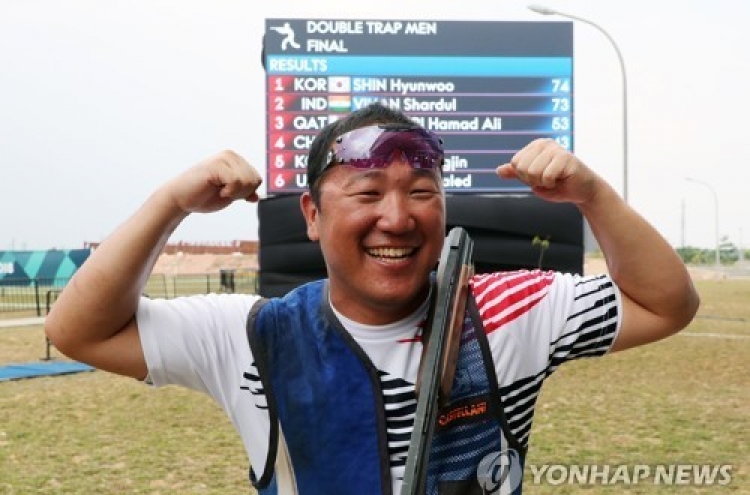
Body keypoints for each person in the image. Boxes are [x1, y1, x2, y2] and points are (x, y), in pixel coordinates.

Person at [45, 102, 699, 494]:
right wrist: (169, 203)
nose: (397, 216)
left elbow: (668, 302)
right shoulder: (253, 336)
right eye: (365, 192)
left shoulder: (509, 313)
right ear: (311, 214)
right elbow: (79, 330)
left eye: (421, 190)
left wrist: (594, 195)